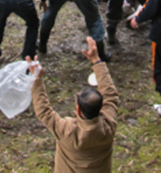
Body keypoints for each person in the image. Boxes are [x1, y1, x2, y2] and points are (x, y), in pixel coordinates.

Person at [28, 37, 118, 172]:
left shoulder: (67, 130)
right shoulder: (108, 126)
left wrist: (37, 79)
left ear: (78, 109)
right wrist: (96, 61)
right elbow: (110, 94)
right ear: (101, 107)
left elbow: (43, 111)